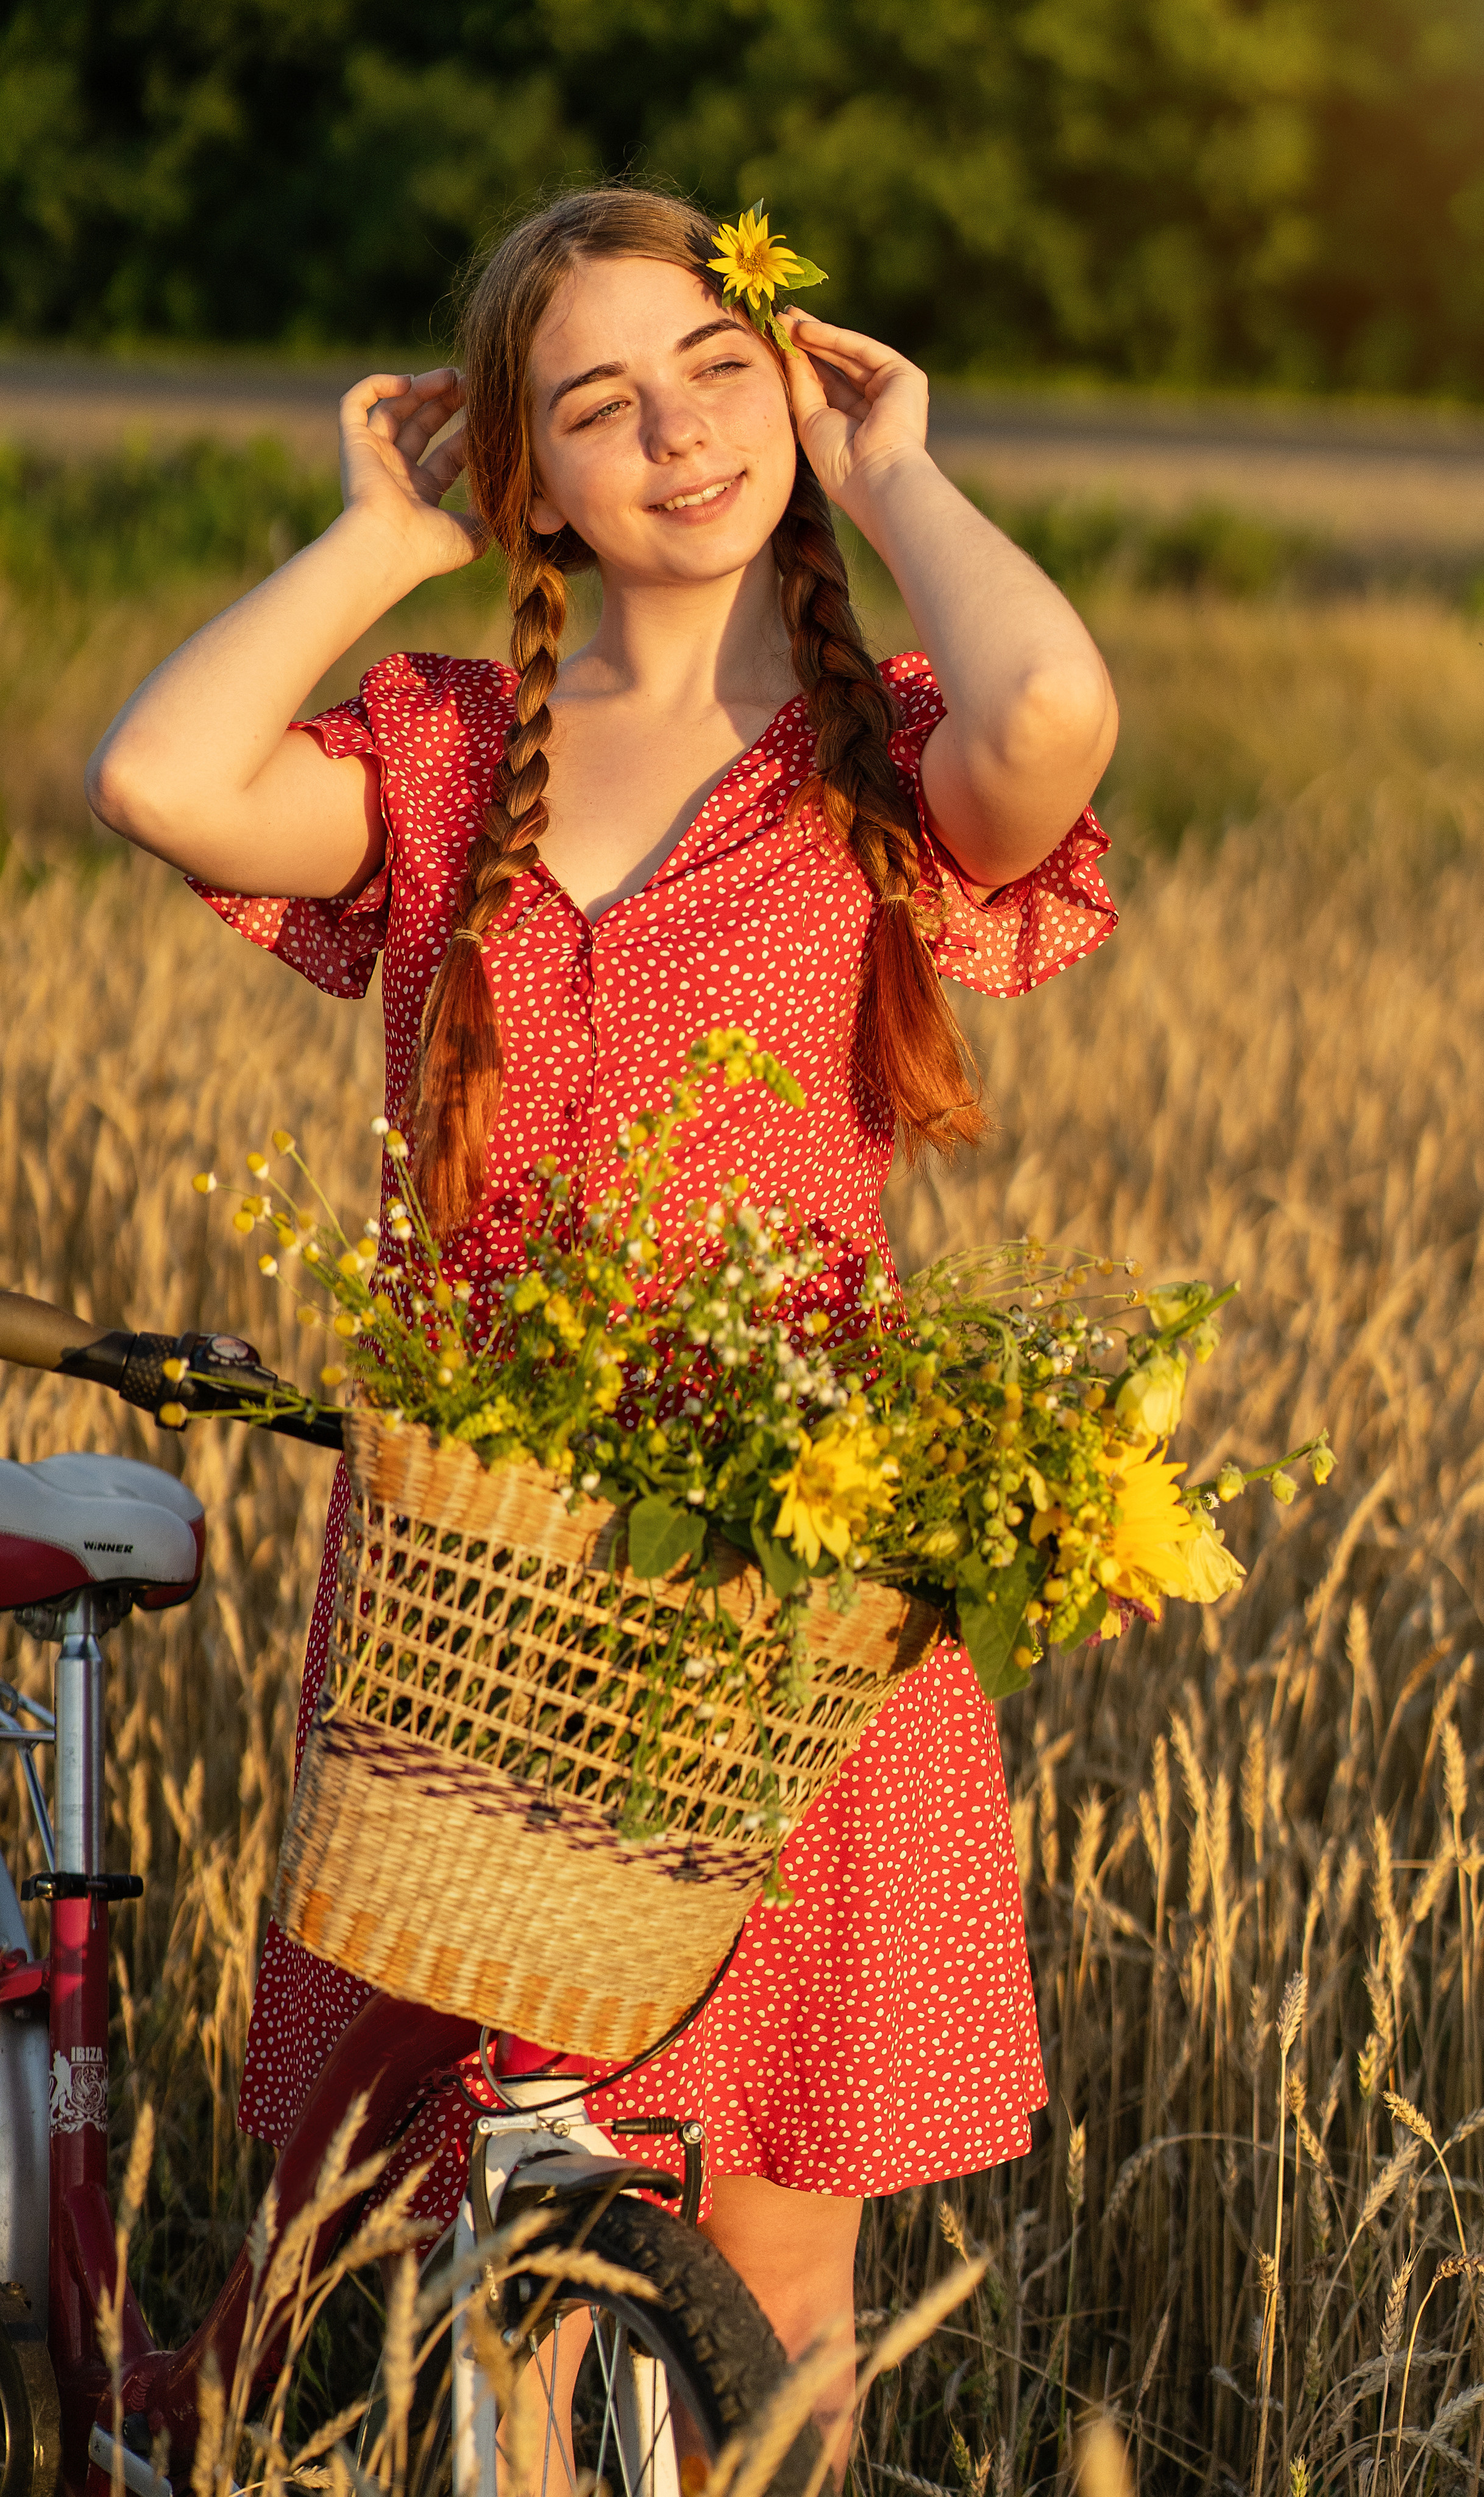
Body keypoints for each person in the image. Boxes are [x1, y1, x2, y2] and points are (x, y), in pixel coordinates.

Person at [87, 184, 1118, 2463]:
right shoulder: (449, 746)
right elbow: (159, 782)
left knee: (760, 2264)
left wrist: (901, 470)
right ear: (519, 467)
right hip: (480, 1589)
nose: (674, 437)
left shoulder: (885, 754)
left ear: (795, 388)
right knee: (452, 2244)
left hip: (781, 1582)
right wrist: (377, 537)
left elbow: (1055, 705)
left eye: (716, 372)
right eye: (594, 402)